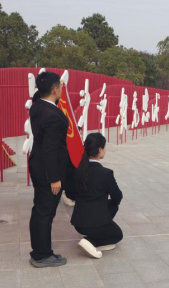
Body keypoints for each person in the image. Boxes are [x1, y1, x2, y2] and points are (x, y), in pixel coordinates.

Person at [28, 71, 69, 268]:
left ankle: (38, 251)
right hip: (47, 170)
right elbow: (51, 149)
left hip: (37, 165)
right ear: (54, 90)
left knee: (39, 210)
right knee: (45, 212)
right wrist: (54, 178)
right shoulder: (52, 115)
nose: (61, 88)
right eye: (60, 86)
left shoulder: (37, 106)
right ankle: (42, 255)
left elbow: (43, 96)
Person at [71, 133, 123, 259]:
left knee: (106, 205)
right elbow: (118, 196)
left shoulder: (78, 170)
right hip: (95, 223)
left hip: (78, 222)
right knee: (117, 234)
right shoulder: (105, 173)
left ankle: (95, 234)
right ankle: (90, 241)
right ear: (100, 149)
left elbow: (71, 193)